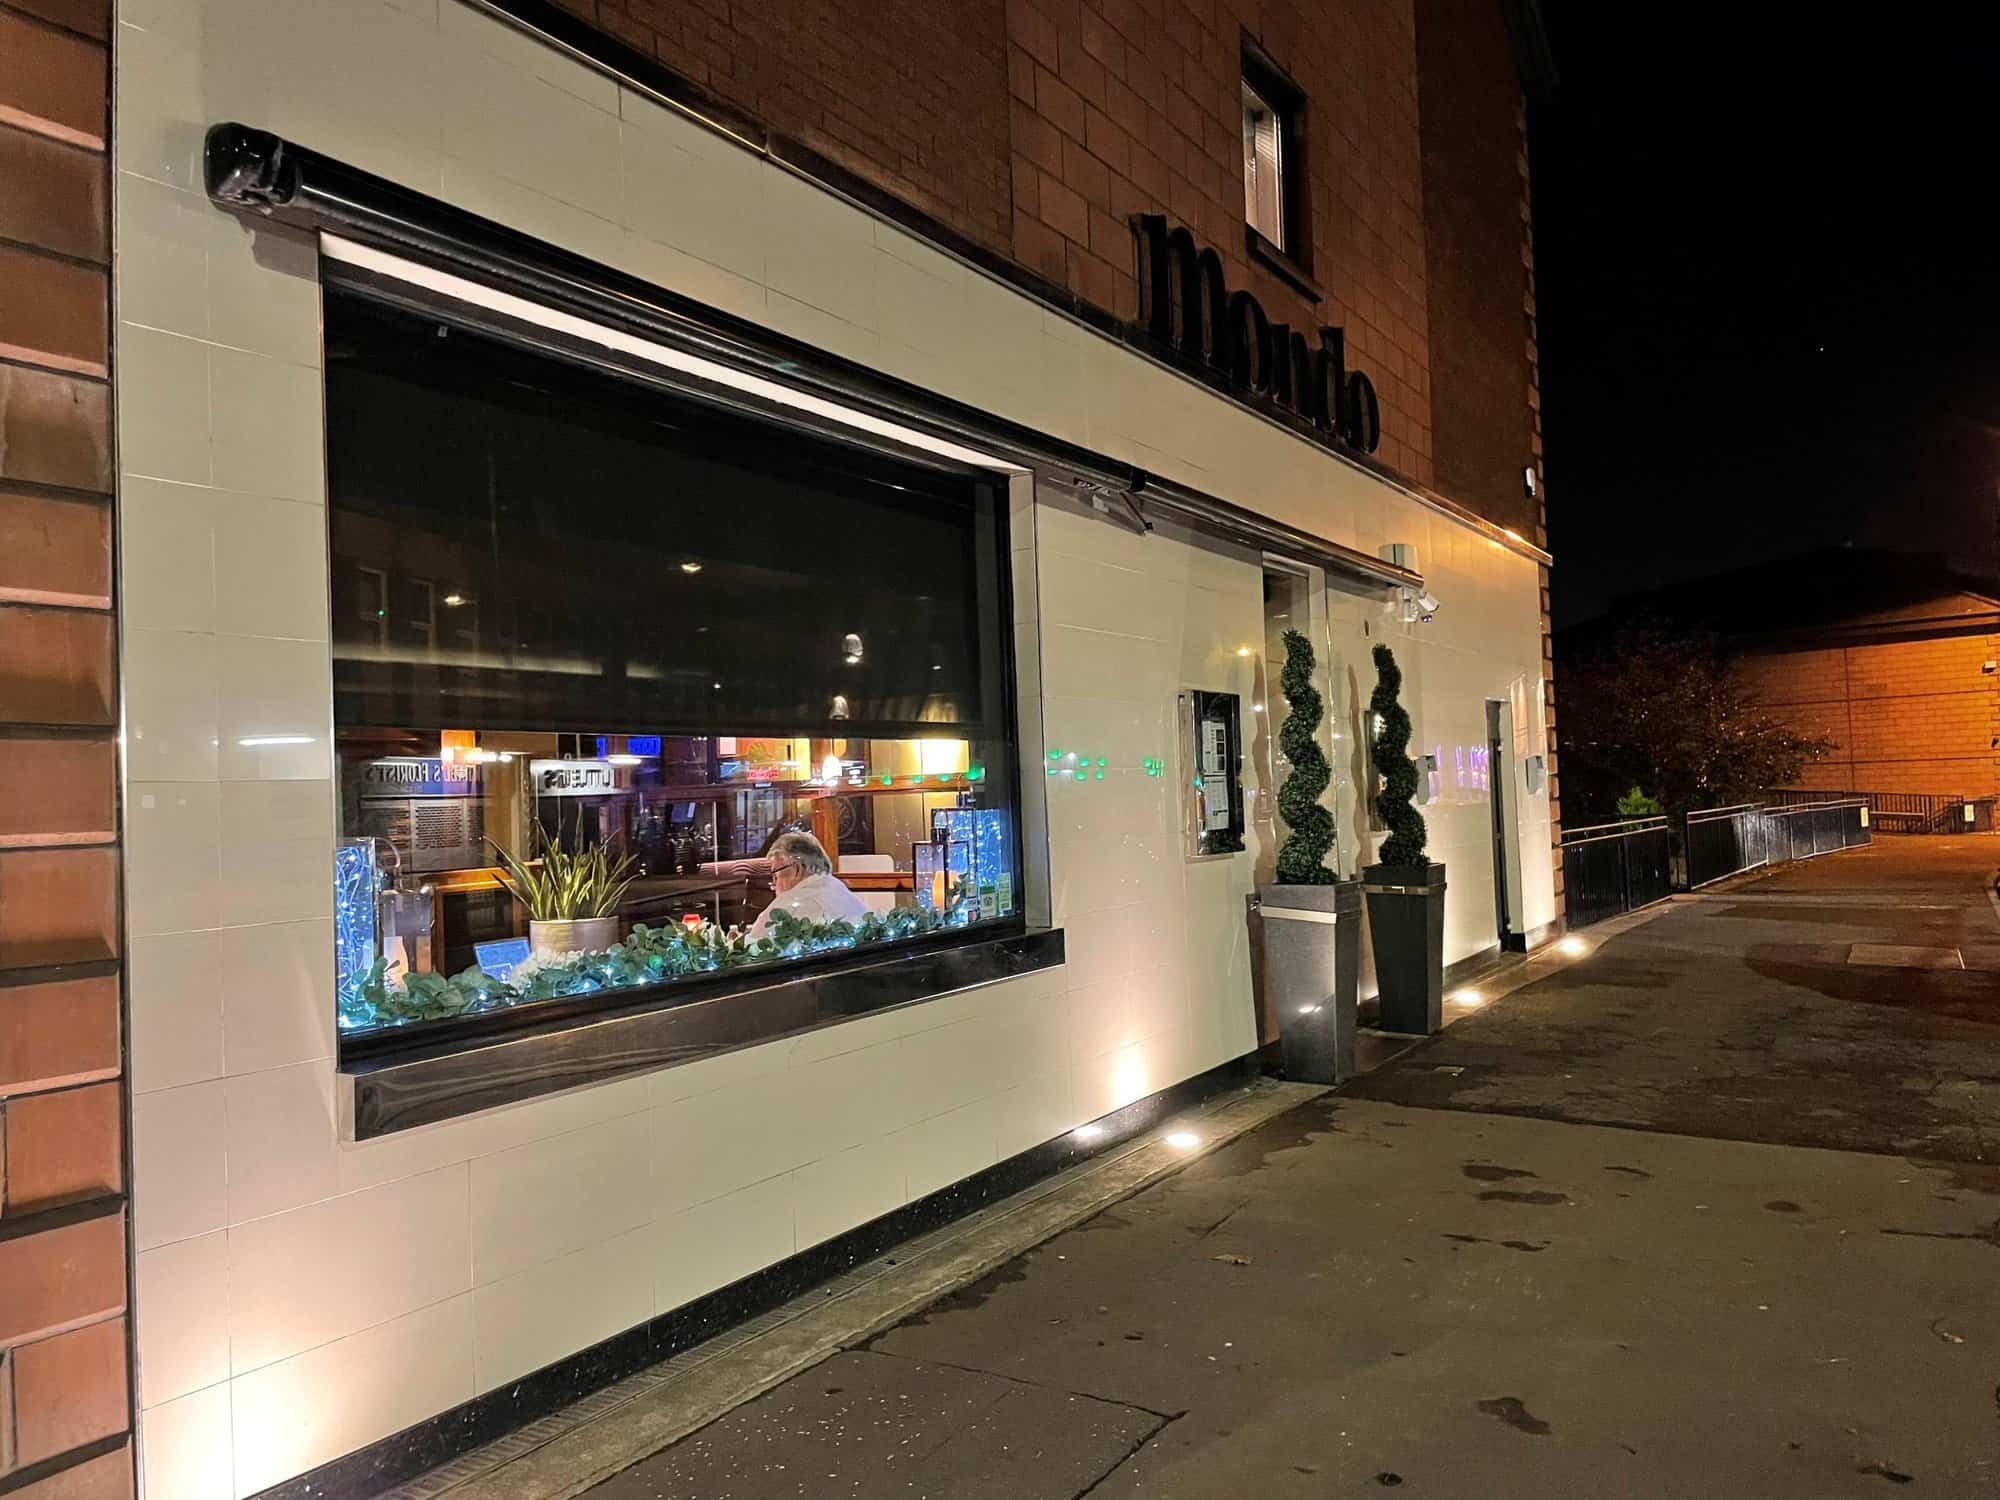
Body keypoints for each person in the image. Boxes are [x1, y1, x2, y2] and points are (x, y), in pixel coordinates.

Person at [745, 830, 867, 942]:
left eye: (775, 875)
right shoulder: (843, 893)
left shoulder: (788, 907)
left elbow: (751, 950)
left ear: (797, 869)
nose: (773, 885)